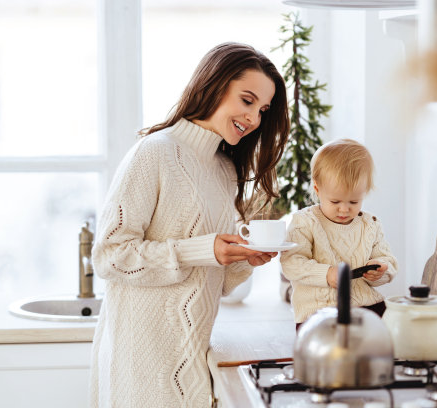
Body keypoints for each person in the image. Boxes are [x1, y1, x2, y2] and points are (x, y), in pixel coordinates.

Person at [89, 42, 289, 407]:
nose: (255, 119)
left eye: (262, 109)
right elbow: (109, 256)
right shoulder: (155, 152)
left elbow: (213, 282)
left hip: (193, 361)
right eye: (247, 100)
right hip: (142, 369)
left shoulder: (224, 170)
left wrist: (243, 258)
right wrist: (202, 249)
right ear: (214, 84)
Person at [280, 138, 398, 330]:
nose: (344, 209)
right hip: (318, 312)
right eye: (335, 202)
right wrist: (326, 274)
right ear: (317, 189)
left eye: (353, 202)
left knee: (394, 327)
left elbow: (388, 261)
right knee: (333, 350)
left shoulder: (370, 224)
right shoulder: (305, 222)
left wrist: (380, 271)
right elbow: (291, 263)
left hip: (366, 306)